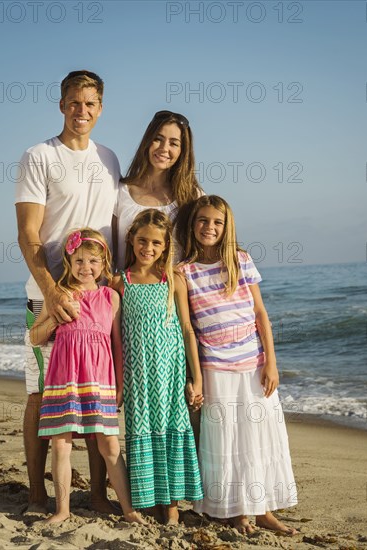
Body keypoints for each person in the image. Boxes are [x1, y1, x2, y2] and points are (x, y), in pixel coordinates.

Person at [15, 70, 120, 513]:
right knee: (42, 395)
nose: (82, 111)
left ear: (100, 107)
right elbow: (28, 234)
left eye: (91, 103)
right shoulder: (39, 156)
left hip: (96, 299)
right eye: (74, 102)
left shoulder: (110, 158)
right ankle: (38, 491)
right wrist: (52, 292)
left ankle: (96, 493)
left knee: (96, 395)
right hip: (48, 297)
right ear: (62, 105)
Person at [179, 195, 299, 535]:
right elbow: (188, 327)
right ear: (193, 225)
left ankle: (263, 511)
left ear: (226, 226)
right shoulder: (184, 272)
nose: (209, 227)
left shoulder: (240, 260)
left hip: (253, 363)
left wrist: (271, 363)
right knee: (227, 440)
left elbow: (261, 314)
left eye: (217, 222)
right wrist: (197, 378)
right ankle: (237, 512)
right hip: (216, 368)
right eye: (203, 220)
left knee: (258, 436)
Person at [30, 228, 146, 525]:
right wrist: (56, 318)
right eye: (79, 261)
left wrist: (119, 384)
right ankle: (63, 509)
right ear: (69, 261)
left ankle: (129, 509)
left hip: (100, 381)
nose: (86, 268)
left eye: (93, 261)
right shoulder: (61, 294)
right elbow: (34, 337)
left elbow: (117, 344)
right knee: (61, 444)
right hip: (63, 379)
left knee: (109, 445)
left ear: (104, 262)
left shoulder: (110, 297)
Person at [112, 209, 204, 524]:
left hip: (171, 373)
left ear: (165, 246)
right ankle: (150, 501)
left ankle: (173, 506)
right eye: (142, 241)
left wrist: (197, 379)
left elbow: (188, 330)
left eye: (155, 243)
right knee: (141, 431)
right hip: (138, 375)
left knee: (173, 430)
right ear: (131, 240)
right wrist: (119, 383)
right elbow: (117, 339)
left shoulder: (174, 280)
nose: (147, 248)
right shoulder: (119, 282)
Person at [112, 110, 203, 270]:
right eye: (158, 139)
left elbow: (202, 251)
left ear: (182, 151)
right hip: (126, 292)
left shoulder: (192, 197)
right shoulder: (120, 191)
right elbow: (110, 251)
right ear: (147, 141)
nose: (164, 148)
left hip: (174, 292)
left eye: (173, 143)